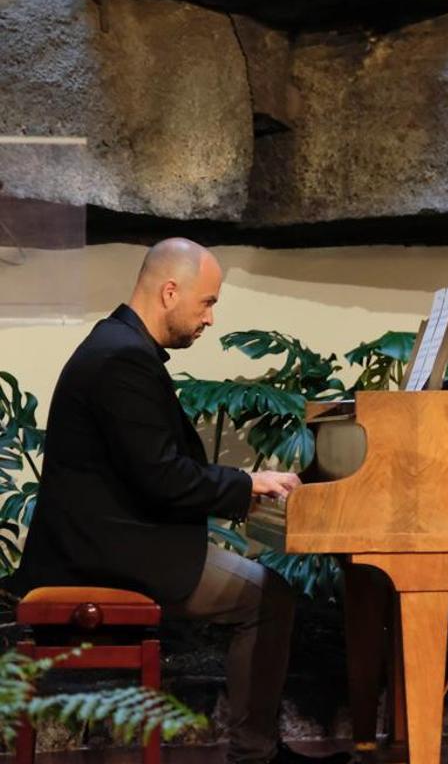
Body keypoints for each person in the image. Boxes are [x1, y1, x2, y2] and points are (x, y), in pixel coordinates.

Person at [12, 238, 347, 764]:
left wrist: (242, 486)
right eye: (207, 302)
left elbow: (156, 469)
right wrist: (246, 484)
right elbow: (163, 479)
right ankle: (254, 755)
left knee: (266, 589)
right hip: (107, 555)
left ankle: (256, 748)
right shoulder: (122, 358)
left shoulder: (118, 345)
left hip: (111, 539)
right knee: (268, 597)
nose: (210, 318)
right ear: (171, 291)